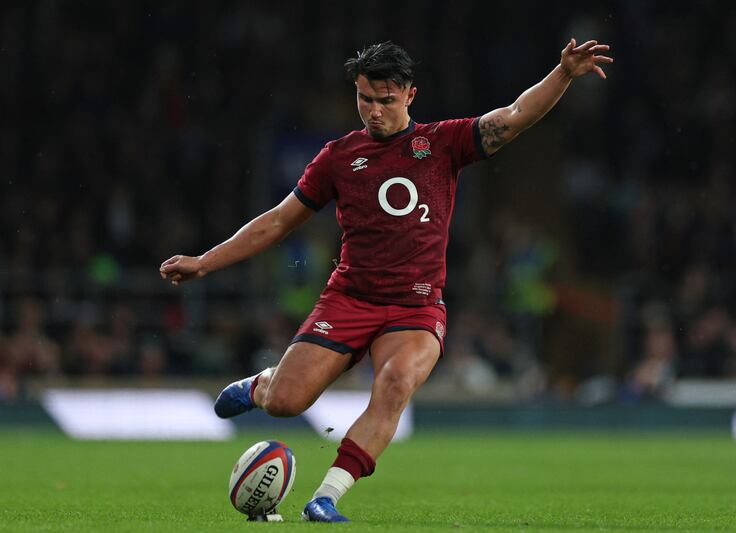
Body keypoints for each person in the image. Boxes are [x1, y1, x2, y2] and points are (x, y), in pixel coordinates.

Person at [160, 39, 611, 522]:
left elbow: (515, 116)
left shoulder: (443, 143)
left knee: (395, 384)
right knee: (287, 403)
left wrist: (563, 74)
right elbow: (277, 222)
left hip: (416, 308)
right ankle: (262, 386)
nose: (373, 111)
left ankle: (325, 498)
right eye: (364, 98)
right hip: (349, 299)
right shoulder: (338, 158)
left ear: (410, 95)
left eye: (385, 100)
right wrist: (205, 262)